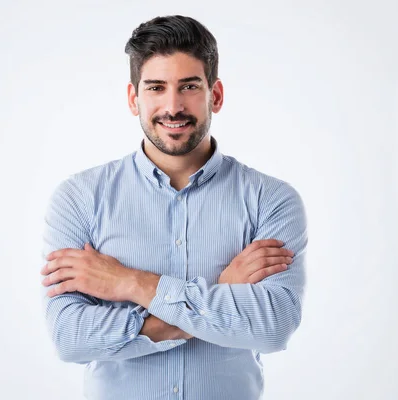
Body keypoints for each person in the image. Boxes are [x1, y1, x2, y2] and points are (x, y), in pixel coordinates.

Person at [40, 14, 307, 400]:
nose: (173, 106)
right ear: (134, 99)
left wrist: (128, 283)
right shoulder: (80, 198)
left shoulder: (271, 199)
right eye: (156, 87)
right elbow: (70, 339)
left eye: (188, 86)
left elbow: (273, 327)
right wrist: (221, 295)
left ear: (215, 94)